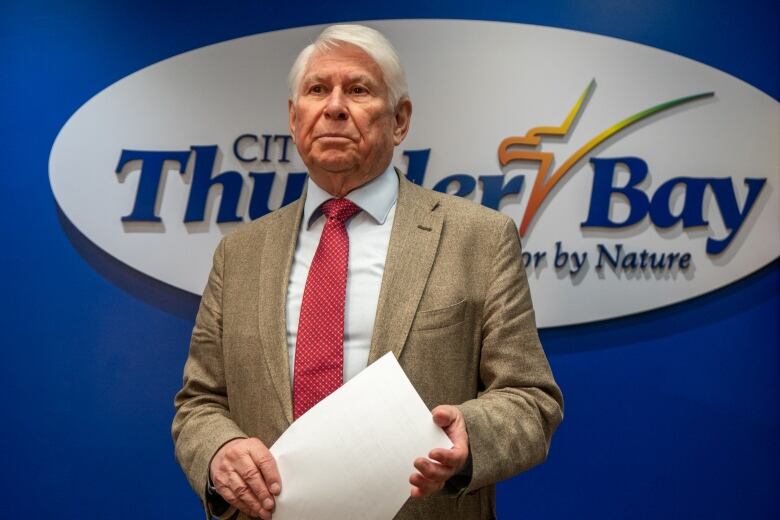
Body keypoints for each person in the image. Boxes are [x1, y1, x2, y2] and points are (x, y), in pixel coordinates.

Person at [173, 24, 563, 520]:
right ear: (295, 120)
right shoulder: (239, 253)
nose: (334, 107)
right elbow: (199, 402)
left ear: (400, 120)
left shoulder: (479, 238)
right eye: (317, 90)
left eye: (357, 90)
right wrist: (217, 453)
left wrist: (472, 432)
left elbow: (531, 398)